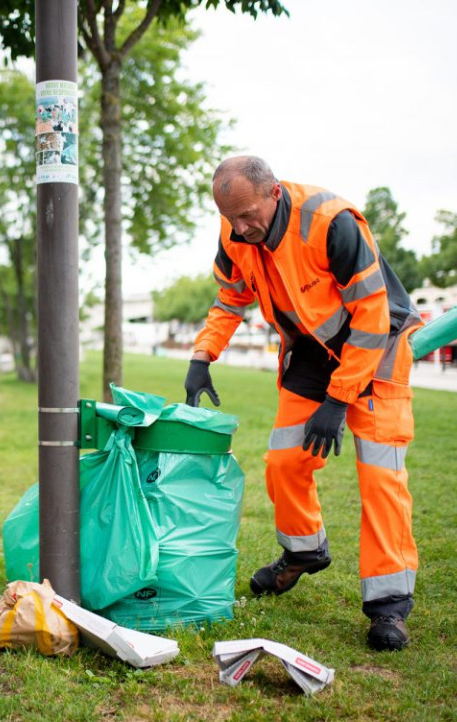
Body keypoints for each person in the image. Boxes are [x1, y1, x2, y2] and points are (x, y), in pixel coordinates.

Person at [185, 155, 422, 652]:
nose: (242, 228)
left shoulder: (331, 222)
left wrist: (339, 401)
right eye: (231, 218)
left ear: (274, 193)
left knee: (380, 478)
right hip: (311, 350)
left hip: (376, 346)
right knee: (284, 460)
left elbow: (372, 313)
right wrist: (203, 356)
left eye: (248, 215)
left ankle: (389, 607)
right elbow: (230, 299)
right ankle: (304, 552)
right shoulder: (235, 235)